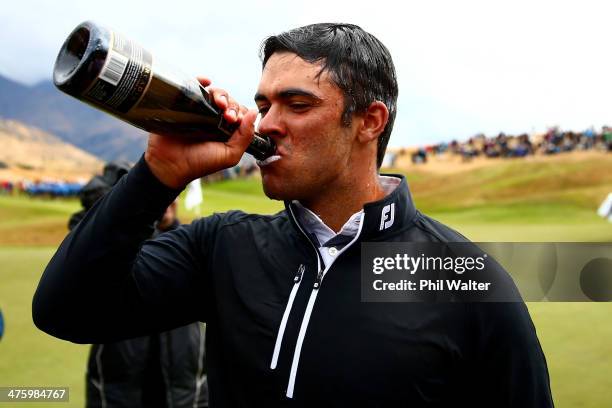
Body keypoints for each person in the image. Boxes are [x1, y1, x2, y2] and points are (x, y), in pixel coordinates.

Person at [33, 23, 553, 406]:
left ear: (369, 121)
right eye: (265, 105)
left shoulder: (464, 277)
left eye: (297, 105)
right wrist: (156, 174)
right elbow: (65, 311)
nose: (268, 123)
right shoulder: (223, 246)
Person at [70, 166, 208, 408]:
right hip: (120, 383)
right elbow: (88, 240)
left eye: (171, 195)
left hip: (181, 381)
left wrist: (164, 221)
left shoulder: (189, 242)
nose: (167, 201)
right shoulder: (117, 240)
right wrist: (130, 211)